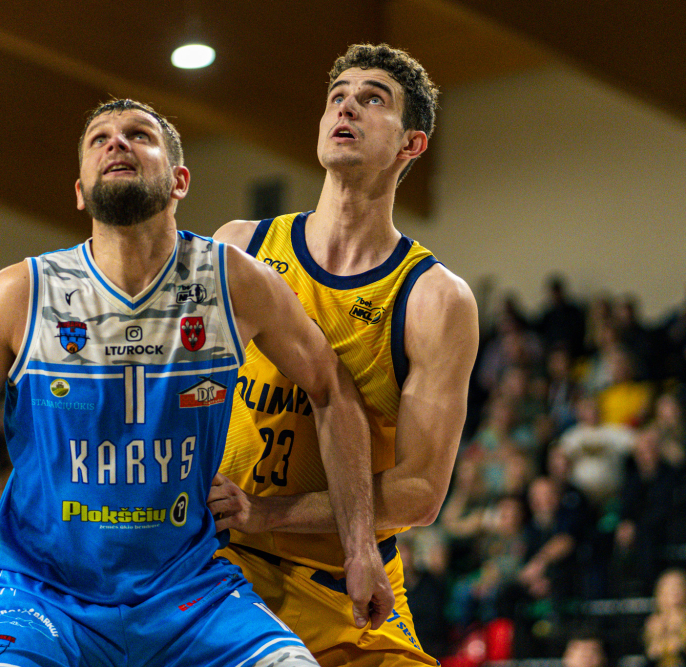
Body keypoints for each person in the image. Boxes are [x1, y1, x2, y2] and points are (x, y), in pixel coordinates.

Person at [0, 98, 393, 667]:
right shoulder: (19, 294)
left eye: (138, 134)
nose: (117, 142)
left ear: (179, 180)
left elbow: (332, 389)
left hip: (190, 596)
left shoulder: (232, 281)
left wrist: (361, 547)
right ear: (80, 191)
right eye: (99, 138)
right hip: (43, 601)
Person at [207, 43, 480, 667]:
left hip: (349, 579)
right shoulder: (242, 247)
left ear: (412, 144)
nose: (346, 106)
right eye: (337, 96)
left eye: (372, 98)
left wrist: (266, 512)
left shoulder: (434, 299)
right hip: (225, 566)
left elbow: (418, 492)